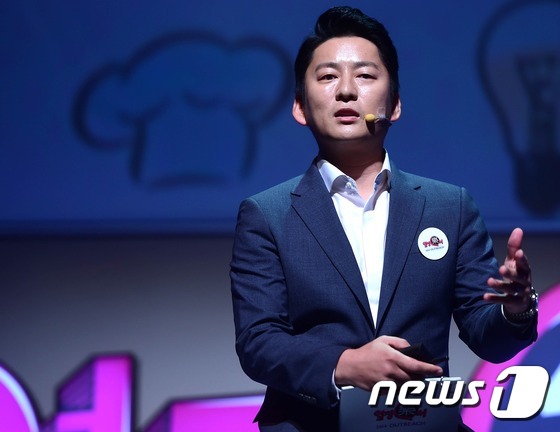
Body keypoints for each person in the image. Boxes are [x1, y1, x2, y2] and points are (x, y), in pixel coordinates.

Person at [230, 6, 538, 432]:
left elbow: (489, 337)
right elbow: (258, 342)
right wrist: (345, 365)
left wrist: (515, 309)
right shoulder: (268, 214)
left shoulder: (449, 206)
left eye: (365, 75)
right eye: (327, 77)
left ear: (393, 105)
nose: (346, 91)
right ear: (300, 107)